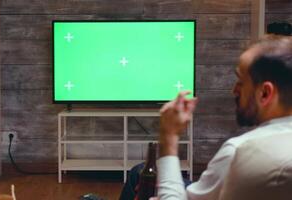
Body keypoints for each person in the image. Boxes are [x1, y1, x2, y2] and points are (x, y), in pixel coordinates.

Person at [119, 35, 292, 200]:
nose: (234, 90)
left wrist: (168, 137)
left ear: (265, 93)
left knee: (140, 174)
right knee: (139, 171)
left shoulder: (239, 152)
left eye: (240, 81)